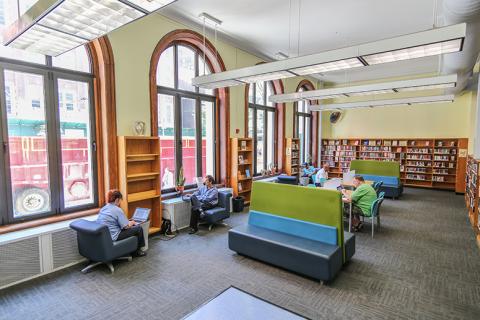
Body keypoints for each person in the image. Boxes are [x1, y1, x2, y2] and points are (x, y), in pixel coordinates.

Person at [96, 190, 146, 256]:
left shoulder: (103, 209)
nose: (120, 202)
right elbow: (126, 227)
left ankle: (131, 248)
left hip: (104, 236)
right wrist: (132, 222)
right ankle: (137, 251)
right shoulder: (117, 210)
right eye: (120, 200)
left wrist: (127, 222)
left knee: (130, 225)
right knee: (138, 228)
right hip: (114, 236)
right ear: (117, 200)